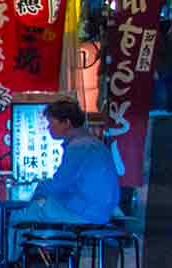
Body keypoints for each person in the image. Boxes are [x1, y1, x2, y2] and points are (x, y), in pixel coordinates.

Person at [7, 99, 118, 258]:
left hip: (84, 211)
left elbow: (58, 185)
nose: (48, 128)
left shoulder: (79, 146)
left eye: (51, 123)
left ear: (66, 122)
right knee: (41, 208)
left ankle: (8, 265)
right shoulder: (93, 143)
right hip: (100, 210)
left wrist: (35, 190)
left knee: (17, 214)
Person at [152, 28, 172, 116]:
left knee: (157, 89)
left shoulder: (155, 39)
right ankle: (170, 108)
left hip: (160, 68)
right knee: (171, 89)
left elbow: (153, 55)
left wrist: (154, 69)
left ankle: (156, 107)